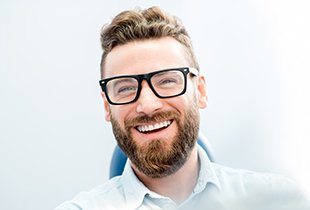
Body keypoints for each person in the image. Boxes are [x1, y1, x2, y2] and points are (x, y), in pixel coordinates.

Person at [56, 6, 309, 210]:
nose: (147, 105)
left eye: (166, 81)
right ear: (106, 105)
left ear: (200, 91)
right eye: (125, 88)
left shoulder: (280, 200)